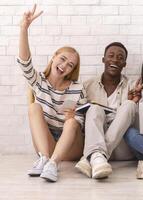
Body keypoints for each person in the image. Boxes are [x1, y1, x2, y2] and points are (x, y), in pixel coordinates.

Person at [19, 5, 86, 182]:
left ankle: (53, 165)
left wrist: (74, 117)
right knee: (34, 107)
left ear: (72, 70)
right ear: (54, 57)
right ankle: (44, 160)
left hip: (70, 144)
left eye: (70, 65)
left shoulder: (77, 87)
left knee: (72, 122)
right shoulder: (39, 80)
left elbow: (81, 121)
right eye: (62, 59)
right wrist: (24, 28)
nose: (64, 65)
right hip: (46, 143)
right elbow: (25, 62)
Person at [74, 42, 143, 179]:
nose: (114, 60)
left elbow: (140, 125)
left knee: (129, 105)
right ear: (103, 59)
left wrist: (136, 101)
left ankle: (93, 157)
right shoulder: (87, 85)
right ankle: (97, 159)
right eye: (111, 56)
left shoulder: (133, 86)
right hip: (94, 141)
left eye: (120, 57)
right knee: (94, 108)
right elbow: (80, 118)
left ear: (124, 64)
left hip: (122, 148)